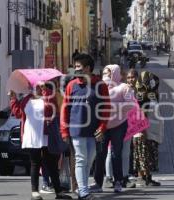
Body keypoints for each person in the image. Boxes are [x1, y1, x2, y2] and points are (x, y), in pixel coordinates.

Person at [60, 53, 111, 200]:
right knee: (81, 159)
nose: (76, 69)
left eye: (79, 66)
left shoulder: (100, 86)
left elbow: (106, 109)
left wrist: (102, 127)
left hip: (94, 131)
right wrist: (64, 131)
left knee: (90, 158)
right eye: (75, 66)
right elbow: (65, 109)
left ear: (88, 68)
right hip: (76, 129)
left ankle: (83, 187)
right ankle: (82, 190)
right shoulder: (72, 85)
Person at [9, 83, 72, 200]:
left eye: (39, 86)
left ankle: (58, 192)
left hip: (45, 134)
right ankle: (35, 192)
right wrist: (13, 98)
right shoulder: (26, 99)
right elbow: (18, 113)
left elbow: (51, 108)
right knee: (35, 163)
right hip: (32, 136)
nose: (36, 88)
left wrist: (45, 91)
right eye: (34, 86)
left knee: (52, 164)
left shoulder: (48, 96)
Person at [90, 65, 135, 193]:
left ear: (115, 74)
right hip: (102, 125)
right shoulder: (99, 87)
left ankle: (118, 181)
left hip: (118, 125)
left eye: (109, 74)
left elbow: (130, 105)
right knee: (100, 154)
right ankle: (98, 182)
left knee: (116, 154)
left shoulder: (124, 87)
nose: (106, 76)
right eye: (104, 73)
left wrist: (111, 107)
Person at [104, 69, 137, 189]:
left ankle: (124, 177)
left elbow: (134, 106)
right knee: (110, 152)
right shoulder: (106, 87)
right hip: (110, 124)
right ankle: (109, 177)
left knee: (125, 152)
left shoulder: (132, 89)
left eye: (132, 77)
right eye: (128, 77)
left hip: (129, 124)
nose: (130, 80)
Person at [133, 71, 161, 187]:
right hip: (145, 131)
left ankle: (146, 178)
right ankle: (147, 179)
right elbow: (142, 114)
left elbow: (157, 81)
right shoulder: (142, 95)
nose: (150, 82)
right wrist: (143, 130)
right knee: (145, 156)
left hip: (151, 131)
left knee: (146, 155)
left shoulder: (151, 93)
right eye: (148, 80)